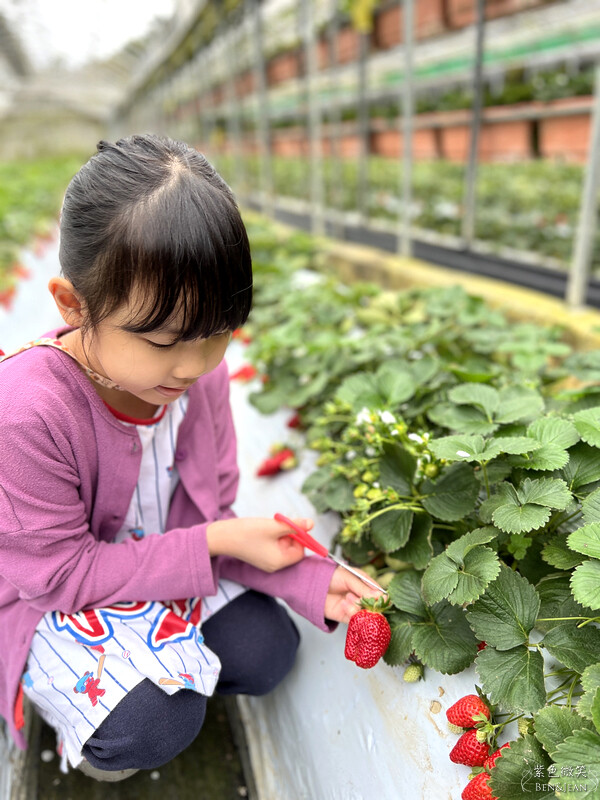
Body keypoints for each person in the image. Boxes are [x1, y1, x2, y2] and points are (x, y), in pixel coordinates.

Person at [0, 134, 381, 781]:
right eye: (162, 340)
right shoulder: (27, 410)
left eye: (215, 333)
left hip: (162, 564)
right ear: (72, 304)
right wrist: (216, 542)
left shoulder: (195, 382)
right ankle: (98, 735)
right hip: (58, 593)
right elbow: (62, 576)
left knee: (266, 652)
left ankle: (163, 667)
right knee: (151, 723)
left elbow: (210, 517)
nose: (192, 364)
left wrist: (309, 579)